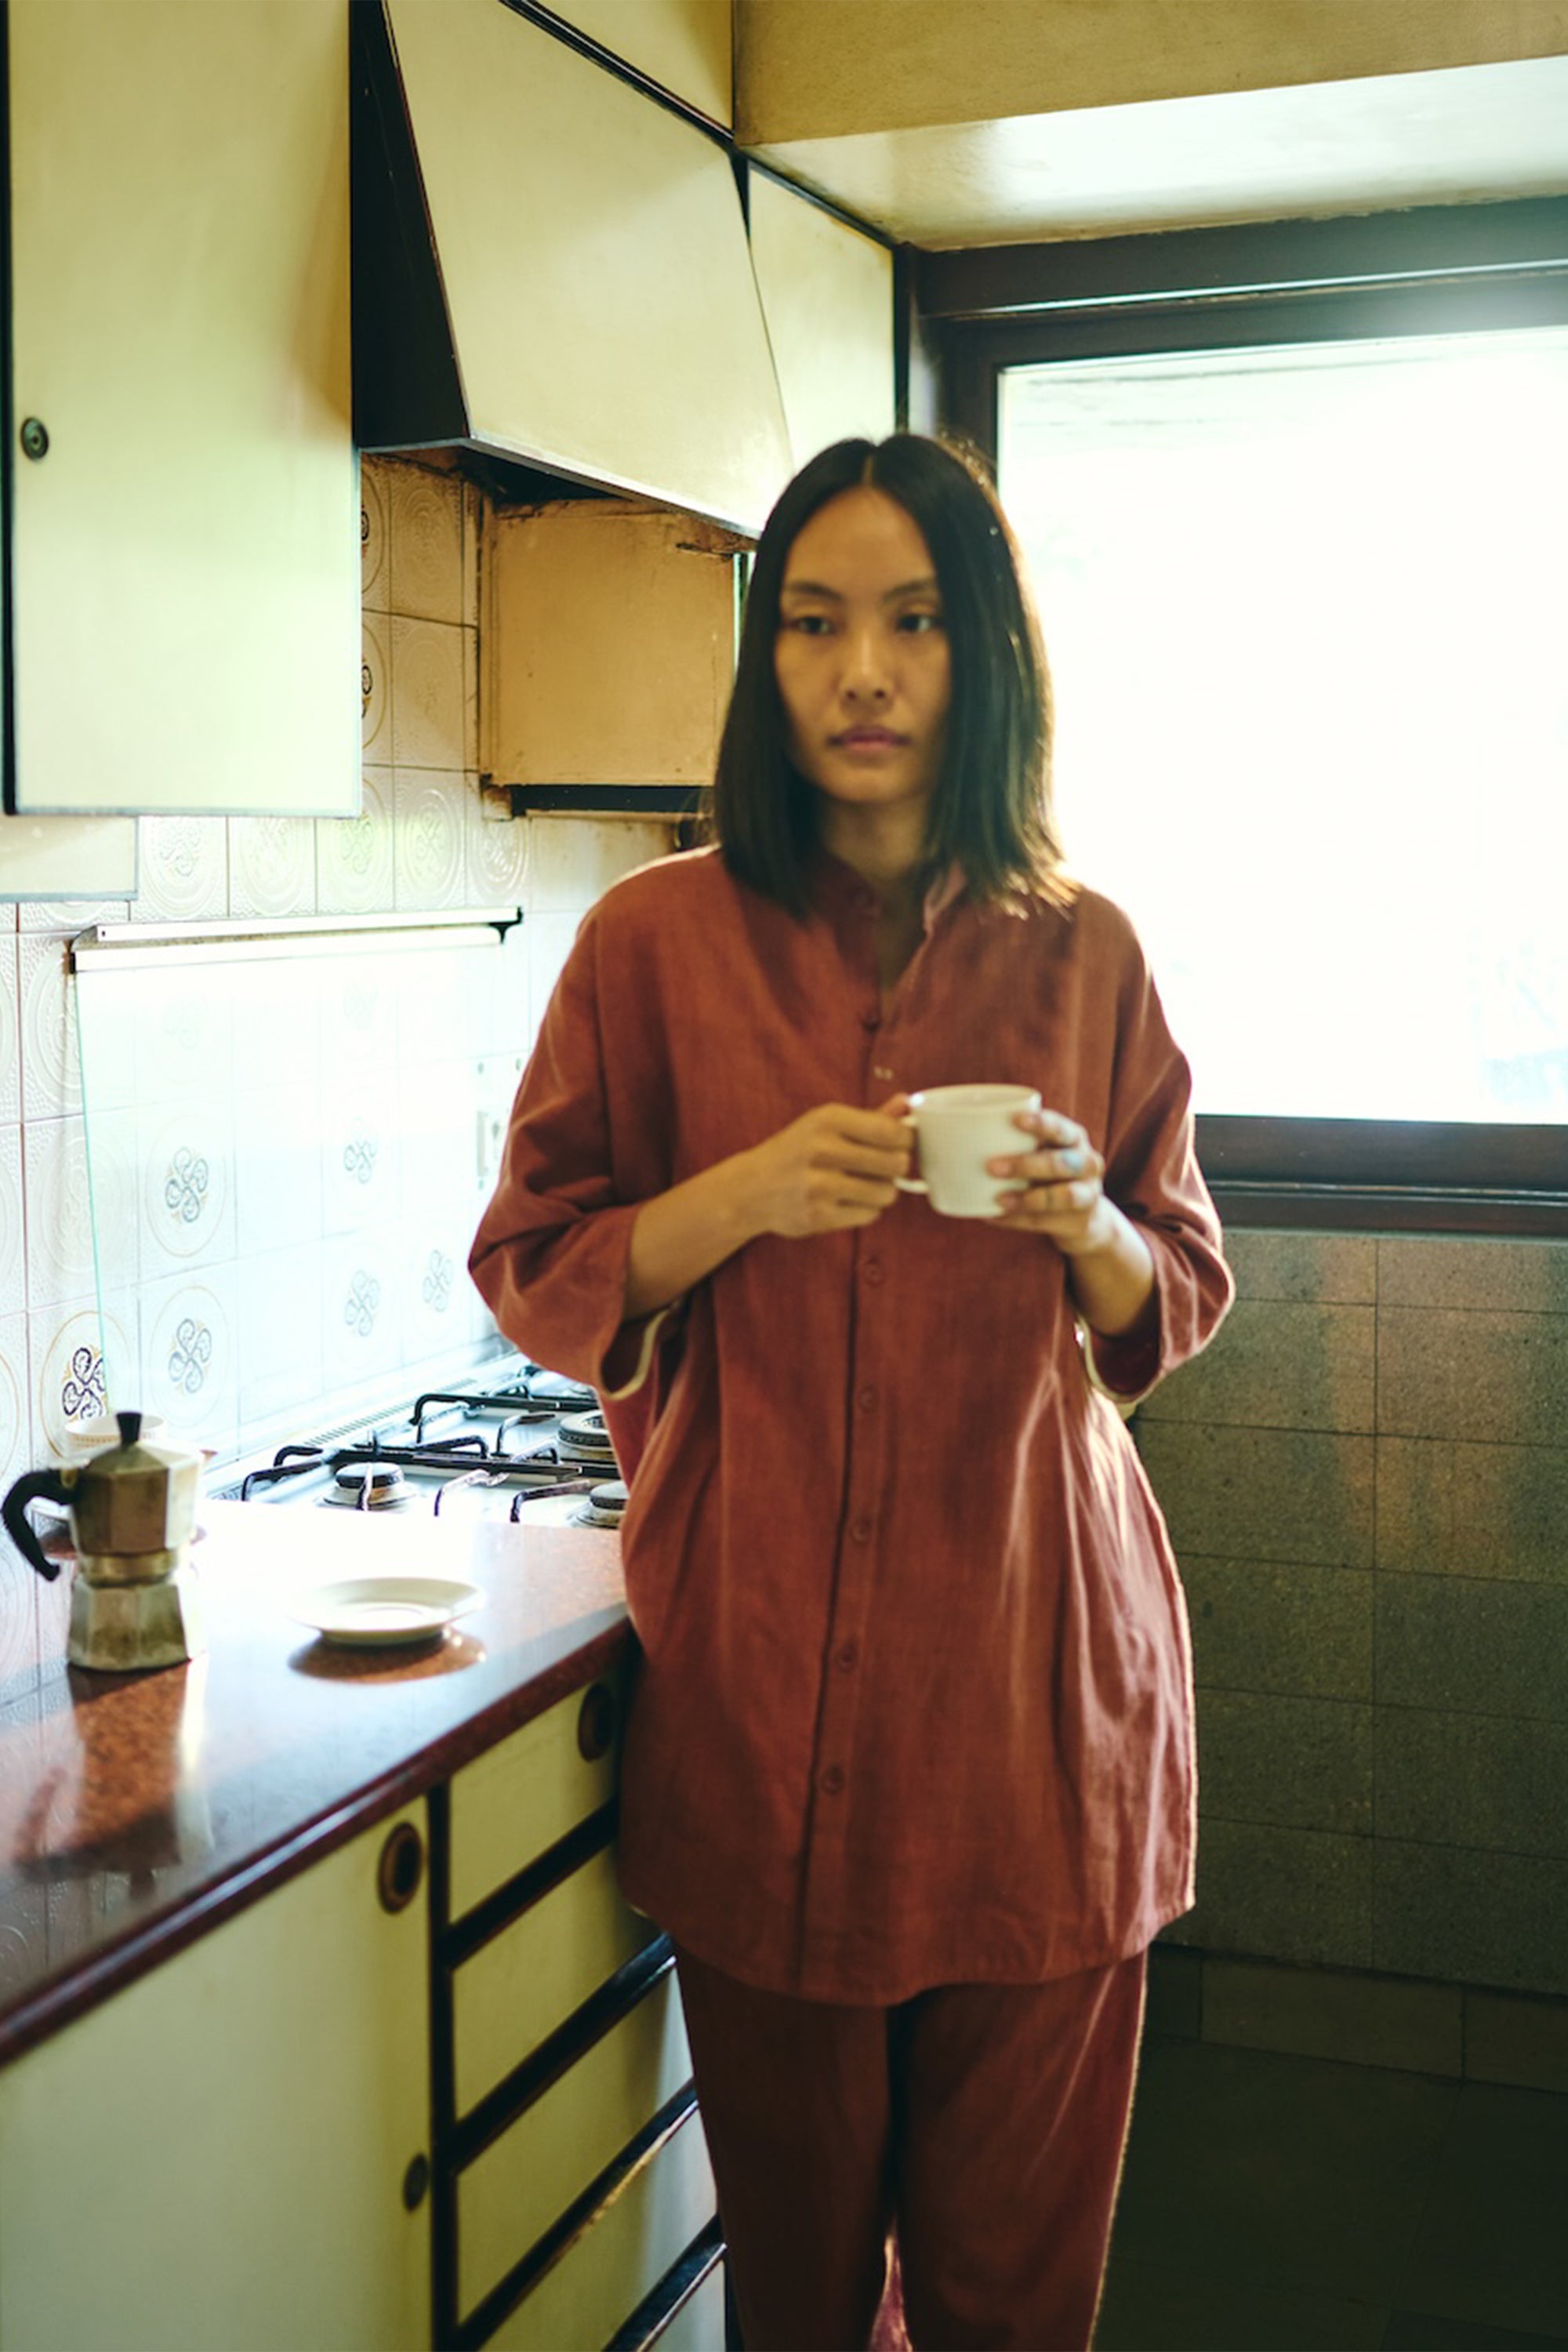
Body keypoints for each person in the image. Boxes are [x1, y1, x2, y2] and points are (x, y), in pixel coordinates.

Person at [470, 433, 1233, 2352]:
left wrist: (1089, 1236)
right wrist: (730, 1200)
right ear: (767, 656)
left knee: (1009, 2312)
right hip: (761, 1738)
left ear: (983, 656)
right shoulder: (647, 949)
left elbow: (1178, 1283)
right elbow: (528, 1258)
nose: (861, 673)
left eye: (909, 624)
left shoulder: (1089, 954)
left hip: (1037, 1733)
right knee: (794, 2311)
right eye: (812, 625)